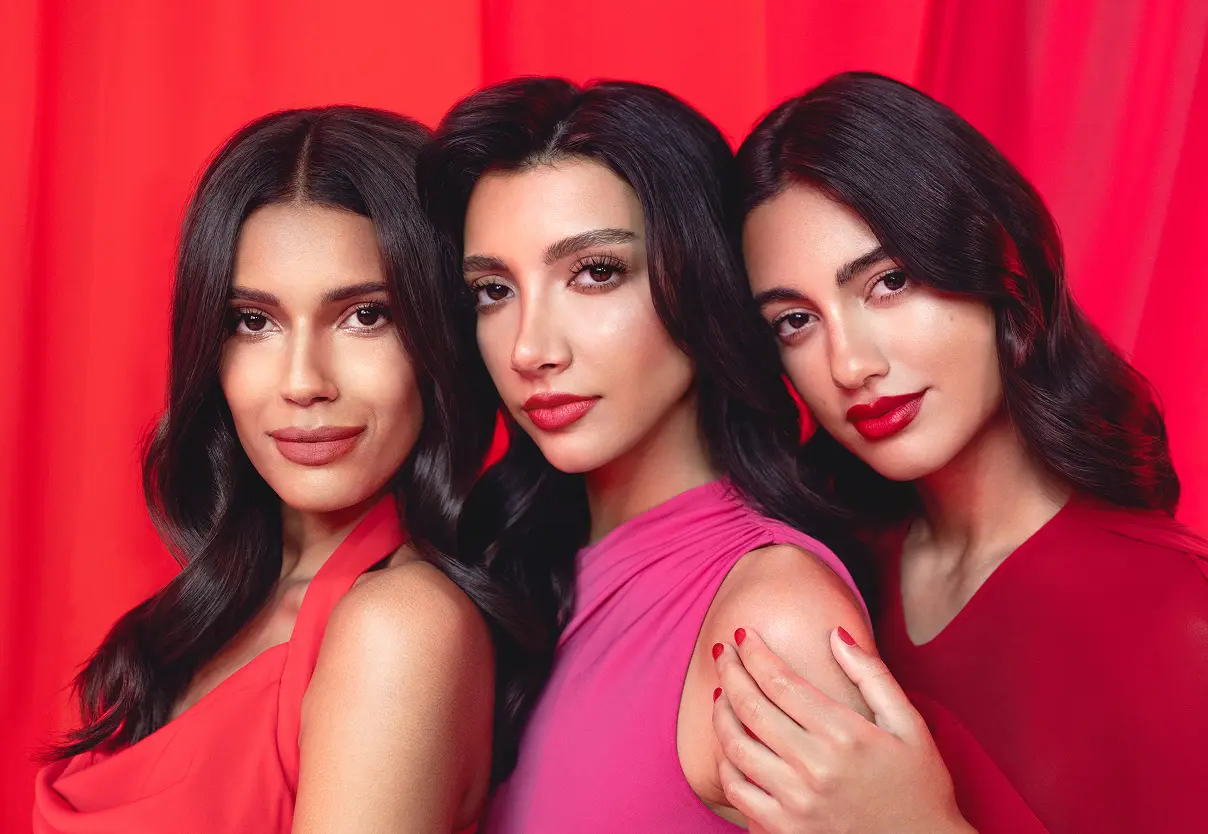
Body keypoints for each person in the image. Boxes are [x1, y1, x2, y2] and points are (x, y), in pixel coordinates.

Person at [718, 71, 1208, 834]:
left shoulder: (1173, 611)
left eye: (888, 281)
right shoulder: (828, 569)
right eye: (795, 321)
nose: (850, 364)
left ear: (991, 262)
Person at [34, 106, 514, 833]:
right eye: (253, 321)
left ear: (440, 334)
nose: (302, 382)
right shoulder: (213, 608)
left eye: (366, 316)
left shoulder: (398, 629)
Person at [418, 77, 874, 832]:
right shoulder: (518, 569)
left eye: (595, 272)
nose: (530, 348)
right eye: (494, 290)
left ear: (700, 277)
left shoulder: (771, 621)